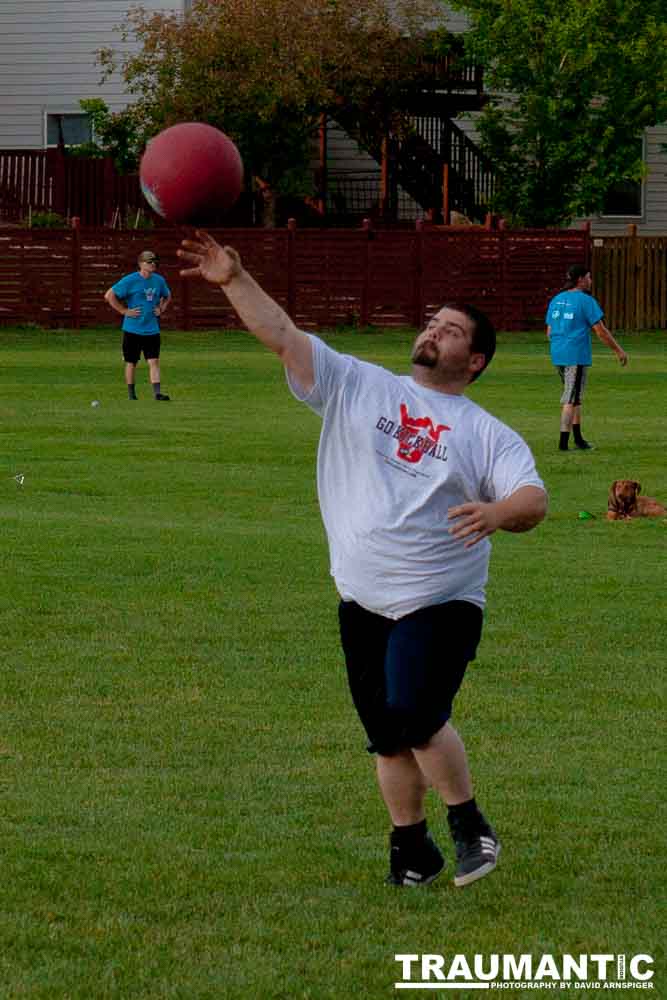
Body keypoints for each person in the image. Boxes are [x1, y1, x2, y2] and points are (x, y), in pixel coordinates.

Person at [178, 230, 548, 889]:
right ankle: (412, 849)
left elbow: (530, 499)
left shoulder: (485, 432)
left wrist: (495, 513)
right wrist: (234, 280)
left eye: (452, 329)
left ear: (477, 359)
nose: (434, 331)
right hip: (361, 599)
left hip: (438, 600)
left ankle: (469, 827)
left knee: (412, 712)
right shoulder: (359, 385)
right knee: (385, 736)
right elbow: (284, 334)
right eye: (433, 321)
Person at [545, 264, 628, 451]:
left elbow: (549, 331)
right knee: (569, 398)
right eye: (589, 277)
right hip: (575, 354)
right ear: (581, 279)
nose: (591, 281)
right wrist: (618, 350)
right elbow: (600, 331)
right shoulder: (585, 301)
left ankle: (579, 439)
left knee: (575, 397)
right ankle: (563, 444)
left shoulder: (557, 299)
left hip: (558, 354)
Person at [104, 250, 172, 400]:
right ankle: (131, 395)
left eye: (155, 261)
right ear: (141, 264)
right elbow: (109, 295)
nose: (153, 264)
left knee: (154, 361)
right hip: (132, 329)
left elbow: (167, 296)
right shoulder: (130, 280)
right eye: (149, 262)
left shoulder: (159, 280)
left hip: (152, 329)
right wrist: (123, 310)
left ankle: (157, 393)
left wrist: (161, 308)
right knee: (131, 362)